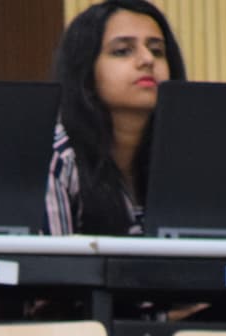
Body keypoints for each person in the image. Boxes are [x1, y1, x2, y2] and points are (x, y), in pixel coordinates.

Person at [45, 0, 187, 236]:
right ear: (86, 70)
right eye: (123, 51)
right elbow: (48, 269)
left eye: (157, 51)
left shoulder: (189, 156)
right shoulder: (58, 158)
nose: (147, 60)